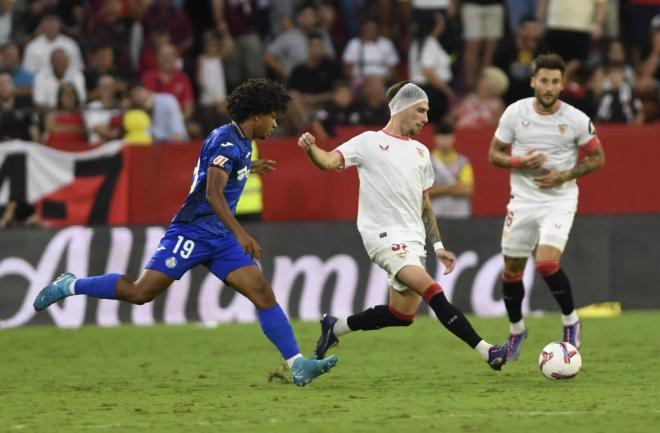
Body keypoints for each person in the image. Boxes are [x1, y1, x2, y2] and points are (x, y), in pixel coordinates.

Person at [33, 78, 337, 387]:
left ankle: (297, 364)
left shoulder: (242, 142)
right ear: (257, 114)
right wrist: (242, 234)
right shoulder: (226, 141)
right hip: (191, 233)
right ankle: (71, 284)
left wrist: (249, 167)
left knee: (261, 292)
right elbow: (212, 195)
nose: (275, 123)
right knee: (141, 293)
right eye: (273, 115)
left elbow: (224, 172)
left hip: (218, 238)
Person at [298, 81, 508, 372]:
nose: (425, 118)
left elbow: (424, 204)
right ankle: (488, 351)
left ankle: (336, 327)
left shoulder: (422, 153)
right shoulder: (367, 142)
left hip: (413, 240)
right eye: (421, 111)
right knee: (431, 289)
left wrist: (438, 246)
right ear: (402, 108)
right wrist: (311, 149)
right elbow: (327, 161)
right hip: (382, 237)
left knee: (402, 315)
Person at [487, 53, 606, 361]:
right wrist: (518, 161)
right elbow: (494, 154)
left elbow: (598, 158)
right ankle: (516, 331)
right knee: (511, 272)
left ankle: (571, 322)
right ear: (533, 81)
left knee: (546, 263)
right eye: (544, 80)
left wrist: (567, 174)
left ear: (562, 84)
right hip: (523, 200)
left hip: (559, 199)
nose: (549, 86)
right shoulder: (515, 113)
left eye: (555, 81)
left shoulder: (576, 119)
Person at [427, 121, 474, 219]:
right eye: (442, 137)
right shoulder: (427, 162)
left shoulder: (463, 162)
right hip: (436, 218)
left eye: (448, 136)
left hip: (460, 217)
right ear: (435, 138)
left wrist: (438, 188)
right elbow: (425, 192)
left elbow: (467, 189)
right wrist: (453, 187)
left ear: (453, 138)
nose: (445, 140)